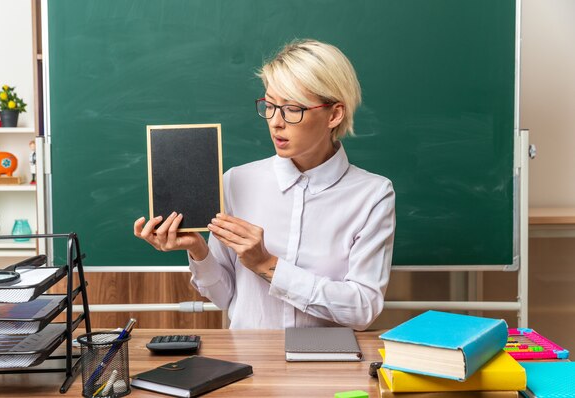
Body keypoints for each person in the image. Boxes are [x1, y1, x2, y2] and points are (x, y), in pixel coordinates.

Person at [134, 39, 395, 330]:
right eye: (269, 106)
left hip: (326, 364)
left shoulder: (372, 195)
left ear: (334, 114)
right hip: (249, 361)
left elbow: (362, 308)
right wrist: (198, 251)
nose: (275, 122)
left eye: (292, 109)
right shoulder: (236, 181)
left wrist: (267, 264)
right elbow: (225, 297)